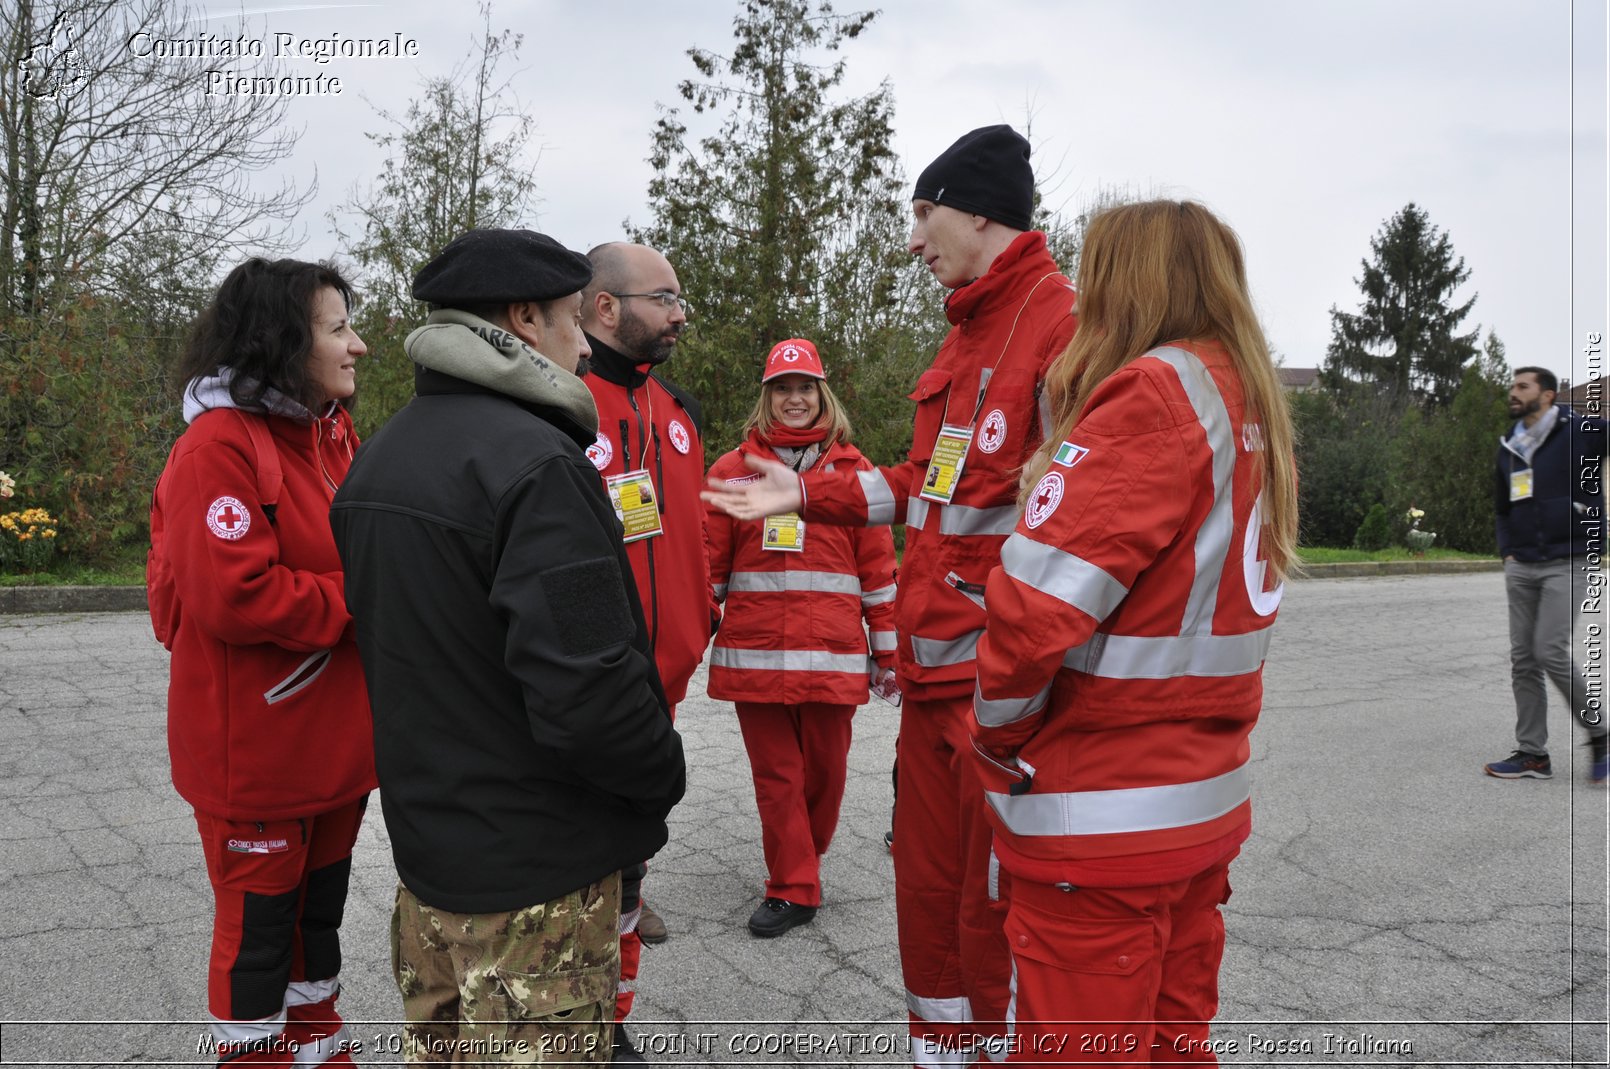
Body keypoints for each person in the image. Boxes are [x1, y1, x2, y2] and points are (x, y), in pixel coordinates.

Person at [703, 124, 1077, 1061]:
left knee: (989, 910)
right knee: (927, 896)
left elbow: (1072, 517)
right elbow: (925, 485)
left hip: (998, 685)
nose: (913, 241)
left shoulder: (1061, 323)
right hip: (934, 679)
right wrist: (805, 491)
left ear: (978, 209)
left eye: (923, 214)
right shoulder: (970, 331)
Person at [329, 229, 686, 1066]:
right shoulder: (535, 467)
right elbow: (591, 690)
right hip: (536, 885)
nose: (583, 346)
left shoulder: (380, 457)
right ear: (525, 320)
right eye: (570, 319)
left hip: (431, 871)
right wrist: (659, 778)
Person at [969, 199, 1298, 1063]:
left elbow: (1030, 612)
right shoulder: (1245, 392)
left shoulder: (1152, 393)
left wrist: (997, 738)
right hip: (1199, 804)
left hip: (1101, 816)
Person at [147, 258, 375, 1068]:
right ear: (282, 341)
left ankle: (317, 1044)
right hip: (258, 753)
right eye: (338, 328)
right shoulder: (218, 446)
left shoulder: (328, 432)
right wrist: (367, 600)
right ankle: (253, 1057)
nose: (358, 345)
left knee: (318, 914)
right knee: (259, 935)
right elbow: (234, 595)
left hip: (332, 747)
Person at [705, 339, 898, 937]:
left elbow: (878, 572)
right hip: (755, 653)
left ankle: (803, 860)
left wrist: (886, 651)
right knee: (778, 777)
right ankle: (792, 885)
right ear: (767, 396)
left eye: (805, 387)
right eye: (783, 388)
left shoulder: (856, 473)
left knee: (826, 774)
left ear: (822, 395)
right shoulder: (730, 471)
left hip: (832, 654)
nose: (794, 398)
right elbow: (708, 565)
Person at [577, 242, 710, 1038]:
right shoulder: (559, 403)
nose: (679, 314)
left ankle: (614, 1015)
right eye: (664, 298)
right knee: (585, 863)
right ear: (604, 309)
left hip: (664, 681)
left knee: (632, 849)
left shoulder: (679, 409)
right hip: (591, 684)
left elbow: (688, 537)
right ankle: (590, 1017)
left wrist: (702, 620)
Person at [1484, 366, 1609, 782]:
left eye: (1523, 387)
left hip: (1569, 559)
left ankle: (1601, 734)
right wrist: (1508, 553)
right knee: (1523, 659)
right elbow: (1503, 508)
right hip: (1522, 565)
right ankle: (1532, 754)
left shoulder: (1583, 431)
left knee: (1549, 650)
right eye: (1513, 387)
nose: (1514, 393)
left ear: (1549, 395)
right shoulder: (1509, 446)